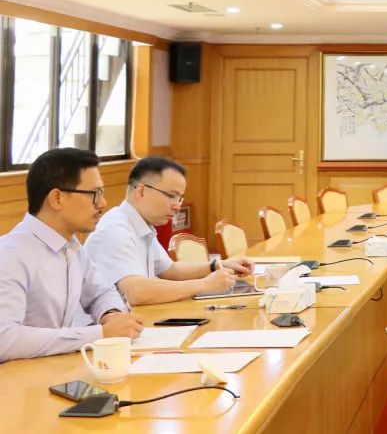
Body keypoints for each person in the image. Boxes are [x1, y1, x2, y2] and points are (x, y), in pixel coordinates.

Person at [0, 148, 143, 362]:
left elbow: (101, 292)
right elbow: (5, 339)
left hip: (55, 367)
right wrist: (99, 334)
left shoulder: (71, 245)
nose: (103, 203)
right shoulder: (11, 254)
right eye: (94, 194)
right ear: (57, 198)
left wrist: (111, 314)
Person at [85, 157, 253, 306]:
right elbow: (135, 291)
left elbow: (171, 270)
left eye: (180, 198)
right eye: (171, 196)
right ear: (141, 191)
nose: (177, 206)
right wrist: (204, 284)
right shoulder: (114, 229)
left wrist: (218, 265)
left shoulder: (141, 224)